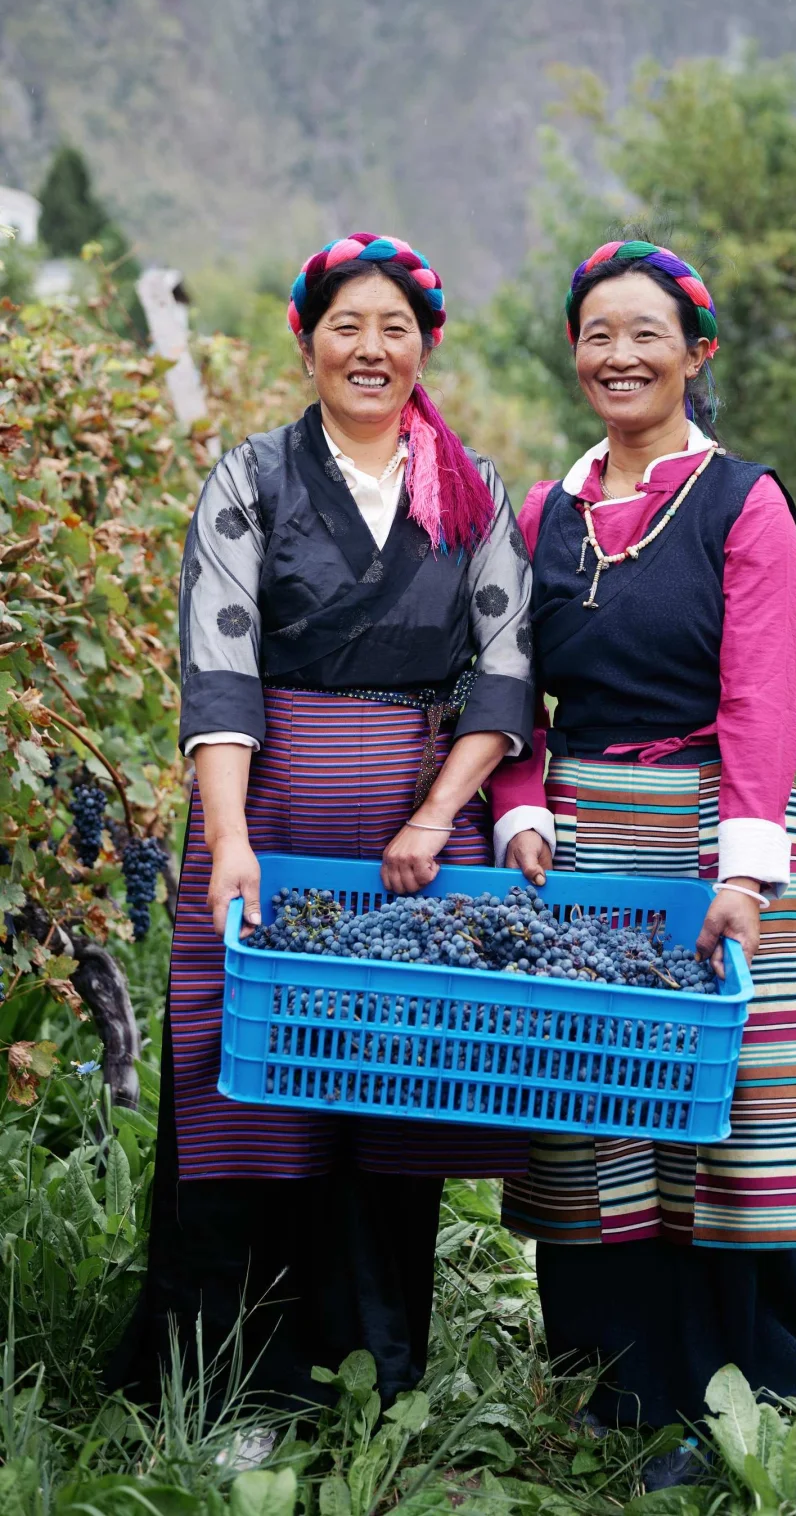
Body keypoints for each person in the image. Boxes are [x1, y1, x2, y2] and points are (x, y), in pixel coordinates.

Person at [490, 237, 796, 1485]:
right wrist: (517, 809)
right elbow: (506, 696)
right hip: (581, 845)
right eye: (598, 333)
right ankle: (620, 1370)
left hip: (711, 831)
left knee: (714, 1114)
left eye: (646, 334)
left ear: (695, 355)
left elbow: (763, 700)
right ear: (575, 353)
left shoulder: (742, 503)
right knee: (599, 1097)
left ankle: (729, 1382)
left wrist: (743, 871)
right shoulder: (544, 517)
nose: (620, 355)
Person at [111, 232, 535, 1411]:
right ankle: (225, 1379)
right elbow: (222, 669)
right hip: (272, 814)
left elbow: (503, 674)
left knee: (389, 1095)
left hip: (414, 840)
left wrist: (439, 812)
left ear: (425, 347)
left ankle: (372, 1374)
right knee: (247, 1090)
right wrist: (231, 837)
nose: (370, 347)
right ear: (307, 344)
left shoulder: (473, 491)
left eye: (394, 327)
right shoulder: (250, 481)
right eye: (346, 325)